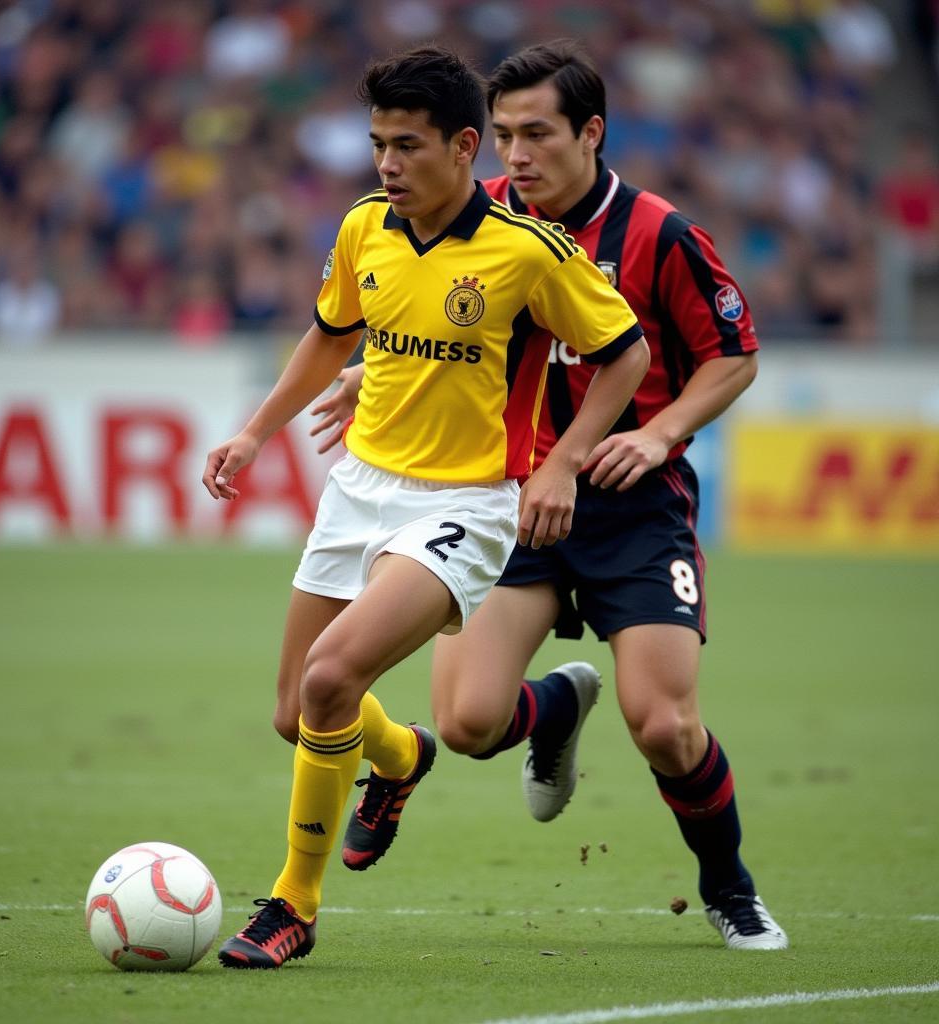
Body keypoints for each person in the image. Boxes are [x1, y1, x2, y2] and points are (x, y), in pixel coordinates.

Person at [312, 40, 787, 952]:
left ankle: (730, 888)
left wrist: (653, 435)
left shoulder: (659, 234)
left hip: (629, 507)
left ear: (592, 132)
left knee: (664, 725)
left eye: (536, 134)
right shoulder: (476, 216)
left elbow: (735, 355)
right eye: (501, 135)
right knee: (467, 723)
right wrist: (367, 368)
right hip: (506, 504)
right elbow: (432, 317)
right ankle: (558, 706)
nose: (515, 155)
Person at [202, 45, 649, 969]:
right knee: (297, 712)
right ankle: (401, 757)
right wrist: (253, 433)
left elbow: (627, 352)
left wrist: (563, 463)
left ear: (462, 147)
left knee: (330, 683)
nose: (388, 166)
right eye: (377, 145)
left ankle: (294, 904)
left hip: (465, 505)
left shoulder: (527, 252)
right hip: (359, 491)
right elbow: (328, 341)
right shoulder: (365, 226)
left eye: (407, 146)